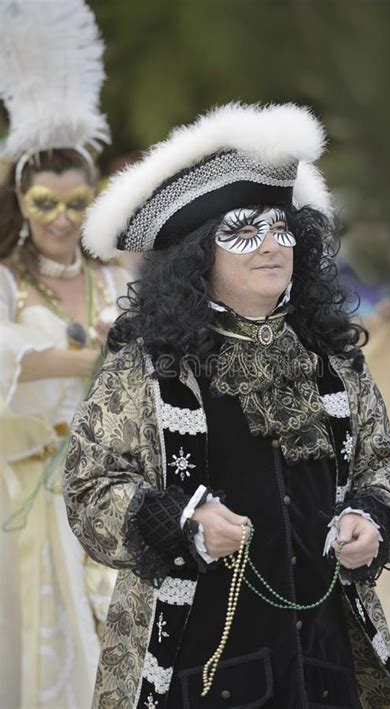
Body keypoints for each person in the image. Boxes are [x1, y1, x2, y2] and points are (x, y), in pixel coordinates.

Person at [64, 103, 390, 708]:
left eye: (281, 227)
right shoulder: (148, 365)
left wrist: (371, 520)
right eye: (242, 228)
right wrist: (181, 522)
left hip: (326, 661)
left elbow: (381, 465)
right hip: (197, 663)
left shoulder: (334, 359)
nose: (270, 244)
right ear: (199, 253)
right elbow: (89, 485)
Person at [0, 2, 129, 706]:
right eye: (44, 203)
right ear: (20, 201)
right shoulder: (5, 285)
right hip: (33, 501)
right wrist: (81, 362)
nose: (60, 220)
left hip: (129, 496)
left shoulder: (121, 279)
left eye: (76, 202)